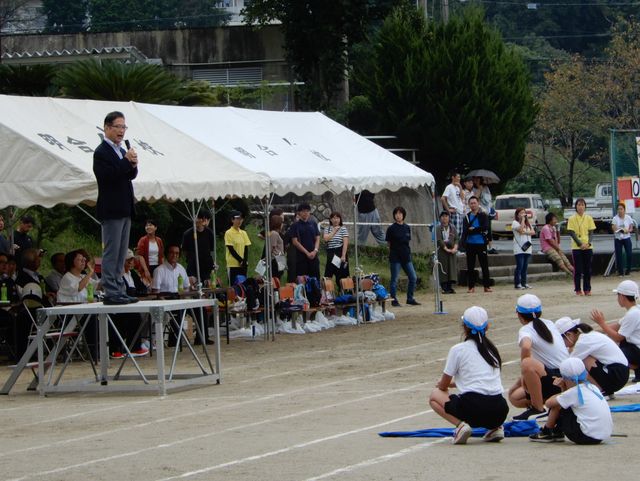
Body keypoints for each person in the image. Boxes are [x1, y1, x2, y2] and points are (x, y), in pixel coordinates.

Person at [429, 306, 509, 444]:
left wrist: (443, 385)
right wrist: (456, 383)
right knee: (485, 399)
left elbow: (443, 385)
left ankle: (461, 426)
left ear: (464, 327)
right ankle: (496, 427)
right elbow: (482, 379)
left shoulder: (458, 350)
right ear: (487, 326)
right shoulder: (492, 350)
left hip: (473, 408)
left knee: (435, 395)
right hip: (500, 410)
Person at [93, 111, 139, 305]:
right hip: (111, 209)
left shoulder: (121, 150)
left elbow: (129, 175)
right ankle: (111, 290)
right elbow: (107, 177)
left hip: (125, 207)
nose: (121, 131)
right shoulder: (101, 152)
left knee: (122, 252)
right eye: (118, 127)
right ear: (107, 128)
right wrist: (126, 162)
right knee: (112, 251)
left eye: (124, 127)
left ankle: (119, 288)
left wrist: (133, 164)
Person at [508, 294, 569, 420]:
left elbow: (525, 347)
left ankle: (537, 409)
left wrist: (524, 374)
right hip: (565, 378)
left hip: (555, 378)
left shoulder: (526, 330)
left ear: (518, 314)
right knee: (514, 396)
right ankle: (548, 405)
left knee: (527, 363)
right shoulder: (549, 324)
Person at [529, 358, 612, 444]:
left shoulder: (574, 392)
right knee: (564, 402)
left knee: (557, 404)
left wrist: (561, 387)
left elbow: (549, 403)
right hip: (601, 436)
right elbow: (566, 397)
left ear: (566, 379)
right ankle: (556, 431)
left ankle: (547, 432)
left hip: (584, 436)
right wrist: (563, 389)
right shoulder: (593, 387)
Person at [555, 316, 628, 396]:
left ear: (569, 334)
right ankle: (606, 390)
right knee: (583, 359)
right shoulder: (587, 336)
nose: (563, 344)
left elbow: (569, 364)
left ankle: (600, 390)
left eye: (561, 340)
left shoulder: (582, 342)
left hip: (617, 375)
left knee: (582, 360)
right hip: (620, 373)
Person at [591, 279, 640, 383]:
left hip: (637, 349)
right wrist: (591, 332)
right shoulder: (635, 310)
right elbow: (616, 326)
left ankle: (636, 367)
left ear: (622, 296)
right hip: (635, 347)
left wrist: (602, 323)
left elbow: (618, 337)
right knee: (622, 344)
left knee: (613, 354)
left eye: (618, 295)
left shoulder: (633, 314)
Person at [385, 206, 420, 307]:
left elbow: (407, 241)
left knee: (413, 277)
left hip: (406, 256)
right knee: (394, 279)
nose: (398, 216)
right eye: (396, 214)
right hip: (395, 257)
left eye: (400, 214)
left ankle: (410, 298)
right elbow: (389, 243)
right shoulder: (391, 228)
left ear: (403, 215)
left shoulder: (407, 227)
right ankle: (394, 299)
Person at [461, 196, 492, 293]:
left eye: (474, 203)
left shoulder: (483, 215)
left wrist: (474, 229)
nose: (473, 205)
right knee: (470, 266)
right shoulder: (466, 216)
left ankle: (486, 286)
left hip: (481, 243)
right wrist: (463, 242)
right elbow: (465, 231)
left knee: (484, 265)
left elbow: (486, 227)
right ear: (469, 205)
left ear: (478, 203)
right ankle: (471, 287)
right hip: (470, 243)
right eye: (471, 203)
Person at [566, 198, 595, 296]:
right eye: (579, 205)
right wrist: (579, 243)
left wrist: (589, 243)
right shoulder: (572, 218)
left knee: (588, 269)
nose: (581, 207)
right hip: (576, 247)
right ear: (576, 206)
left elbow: (591, 232)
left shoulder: (589, 218)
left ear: (585, 206)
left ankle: (587, 289)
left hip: (588, 247)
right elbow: (571, 232)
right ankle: (578, 289)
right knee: (578, 269)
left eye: (582, 205)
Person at [181, 210, 215, 285]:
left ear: (204, 220)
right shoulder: (187, 234)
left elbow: (211, 250)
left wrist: (213, 265)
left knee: (208, 286)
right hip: (192, 265)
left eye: (198, 218)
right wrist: (190, 258)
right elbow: (184, 251)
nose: (196, 219)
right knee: (193, 285)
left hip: (206, 266)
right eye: (195, 217)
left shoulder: (210, 233)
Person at [290, 203, 320, 279]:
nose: (305, 213)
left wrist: (315, 251)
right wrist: (307, 253)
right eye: (303, 211)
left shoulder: (313, 224)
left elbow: (318, 238)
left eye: (307, 211)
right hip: (301, 257)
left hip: (314, 256)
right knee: (303, 279)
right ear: (299, 213)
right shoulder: (295, 225)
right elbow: (295, 241)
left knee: (315, 278)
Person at [224, 210, 251, 285]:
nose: (240, 221)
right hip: (233, 264)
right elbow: (231, 249)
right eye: (238, 218)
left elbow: (246, 248)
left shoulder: (243, 233)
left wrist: (244, 261)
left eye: (241, 219)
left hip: (243, 264)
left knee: (243, 285)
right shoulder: (228, 233)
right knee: (233, 286)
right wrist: (240, 260)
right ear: (232, 220)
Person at [323, 211, 349, 285]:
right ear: (330, 219)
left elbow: (345, 243)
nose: (335, 220)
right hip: (331, 253)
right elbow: (326, 239)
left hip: (340, 252)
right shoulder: (327, 229)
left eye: (337, 218)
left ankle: (343, 292)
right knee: (328, 274)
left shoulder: (343, 229)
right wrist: (334, 231)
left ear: (340, 219)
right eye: (333, 218)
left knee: (342, 274)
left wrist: (343, 255)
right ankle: (328, 293)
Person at [473, 176, 497, 254]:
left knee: (488, 229)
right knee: (480, 229)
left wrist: (482, 191)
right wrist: (479, 190)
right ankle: (482, 246)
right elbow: (474, 199)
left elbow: (488, 199)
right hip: (479, 212)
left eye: (478, 179)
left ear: (480, 179)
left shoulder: (486, 188)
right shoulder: (474, 189)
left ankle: (490, 247)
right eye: (475, 179)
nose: (476, 180)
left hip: (486, 211)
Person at [512, 207, 535, 290]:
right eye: (521, 213)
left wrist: (525, 232)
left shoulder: (528, 223)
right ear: (517, 215)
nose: (523, 214)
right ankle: (517, 283)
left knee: (525, 267)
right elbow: (520, 229)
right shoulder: (515, 223)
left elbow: (533, 232)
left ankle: (524, 283)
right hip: (519, 248)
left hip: (527, 247)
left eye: (524, 213)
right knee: (520, 266)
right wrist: (522, 220)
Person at [436, 211, 458, 294]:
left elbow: (456, 239)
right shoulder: (438, 228)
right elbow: (439, 240)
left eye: (446, 216)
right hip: (442, 250)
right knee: (443, 268)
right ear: (440, 218)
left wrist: (455, 248)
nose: (444, 218)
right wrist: (445, 248)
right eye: (443, 216)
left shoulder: (453, 227)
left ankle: (450, 287)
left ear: (449, 218)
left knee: (451, 269)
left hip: (452, 250)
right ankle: (444, 287)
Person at [611, 203, 634, 277]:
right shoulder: (615, 218)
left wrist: (628, 231)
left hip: (627, 237)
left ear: (624, 210)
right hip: (618, 238)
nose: (620, 211)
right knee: (619, 255)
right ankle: (620, 272)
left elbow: (631, 228)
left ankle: (628, 271)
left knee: (629, 254)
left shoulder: (628, 217)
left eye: (621, 209)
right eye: (618, 209)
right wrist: (619, 230)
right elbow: (613, 228)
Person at [441, 171, 465, 239]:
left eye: (459, 177)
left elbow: (462, 198)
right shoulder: (449, 187)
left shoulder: (457, 187)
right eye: (458, 177)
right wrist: (448, 210)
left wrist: (460, 187)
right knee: (455, 232)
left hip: (460, 211)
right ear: (453, 177)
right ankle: (452, 247)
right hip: (454, 212)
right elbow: (443, 198)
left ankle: (456, 247)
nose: (459, 178)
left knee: (460, 232)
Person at [267, 212, 285, 280]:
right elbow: (272, 247)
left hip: (280, 258)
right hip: (276, 258)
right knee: (276, 279)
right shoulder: (274, 233)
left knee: (278, 277)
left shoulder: (276, 233)